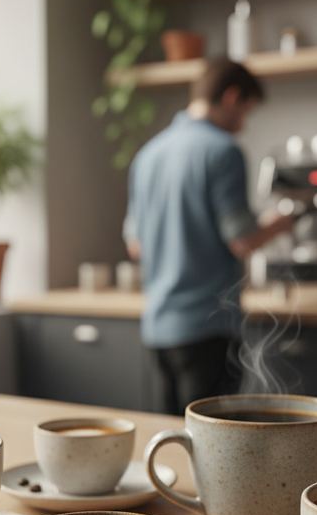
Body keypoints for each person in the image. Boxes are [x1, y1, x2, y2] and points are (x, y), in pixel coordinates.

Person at [123, 58, 294, 415]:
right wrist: (280, 222)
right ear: (231, 98)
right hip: (207, 327)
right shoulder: (222, 151)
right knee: (213, 439)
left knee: (170, 435)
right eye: (246, 111)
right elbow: (242, 240)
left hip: (158, 326)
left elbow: (136, 246)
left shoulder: (148, 155)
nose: (243, 124)